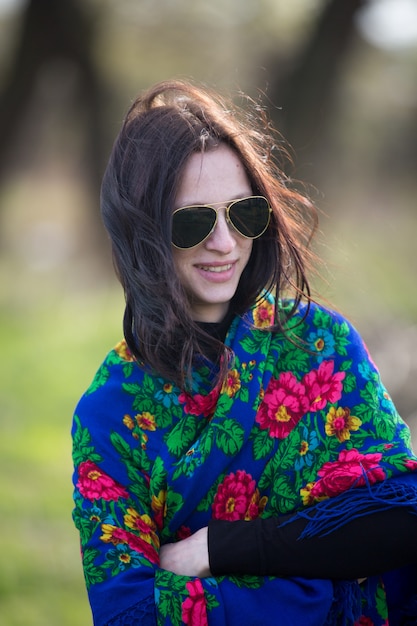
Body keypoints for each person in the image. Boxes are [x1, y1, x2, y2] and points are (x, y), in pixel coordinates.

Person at [71, 79, 417, 626]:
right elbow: (129, 611)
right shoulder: (111, 414)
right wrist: (326, 595)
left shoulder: (320, 345)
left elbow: (404, 513)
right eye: (194, 221)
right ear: (142, 232)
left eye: (243, 213)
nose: (226, 242)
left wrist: (218, 550)